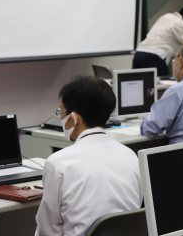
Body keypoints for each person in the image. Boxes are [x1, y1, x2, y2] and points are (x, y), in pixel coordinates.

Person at [35, 76, 142, 236]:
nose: (61, 118)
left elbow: (47, 230)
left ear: (73, 118)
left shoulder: (59, 163)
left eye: (61, 113)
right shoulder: (130, 156)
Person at [132, 2, 183, 76]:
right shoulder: (182, 26)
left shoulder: (167, 16)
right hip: (154, 58)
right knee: (157, 86)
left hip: (139, 54)